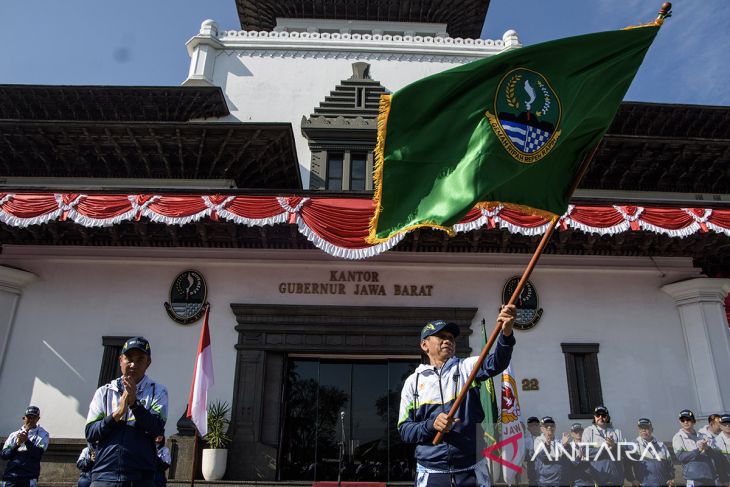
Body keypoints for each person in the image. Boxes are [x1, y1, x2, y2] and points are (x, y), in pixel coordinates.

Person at [398, 305, 516, 487]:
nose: (448, 341)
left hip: (472, 469)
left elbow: (497, 362)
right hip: (431, 473)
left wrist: (506, 333)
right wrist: (431, 425)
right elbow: (405, 430)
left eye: (451, 338)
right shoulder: (412, 382)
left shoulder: (467, 367)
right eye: (441, 337)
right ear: (424, 345)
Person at [85, 336, 168, 486]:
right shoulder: (103, 392)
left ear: (148, 363)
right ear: (120, 360)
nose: (133, 364)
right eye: (129, 358)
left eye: (140, 359)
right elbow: (91, 433)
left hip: (141, 477)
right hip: (104, 476)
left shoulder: (158, 391)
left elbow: (157, 429)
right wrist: (117, 414)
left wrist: (134, 404)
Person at [1, 405, 49, 487]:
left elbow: (37, 454)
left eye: (34, 417)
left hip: (28, 478)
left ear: (38, 419)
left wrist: (26, 441)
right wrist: (16, 445)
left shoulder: (43, 434)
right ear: (24, 418)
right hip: (10, 477)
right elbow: (4, 455)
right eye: (28, 417)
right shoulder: (14, 435)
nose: (31, 420)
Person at [581, 405, 625, 487]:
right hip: (598, 479)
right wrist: (604, 448)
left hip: (616, 479)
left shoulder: (617, 432)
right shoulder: (588, 431)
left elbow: (624, 452)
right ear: (594, 417)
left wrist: (614, 446)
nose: (600, 417)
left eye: (603, 415)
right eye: (598, 415)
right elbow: (585, 451)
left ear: (607, 417)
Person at [672, 409, 716, 487]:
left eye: (688, 419)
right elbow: (681, 457)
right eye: (682, 420)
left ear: (693, 421)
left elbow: (714, 456)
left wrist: (707, 448)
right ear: (680, 422)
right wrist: (698, 450)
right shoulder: (678, 437)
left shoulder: (703, 436)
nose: (685, 422)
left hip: (709, 476)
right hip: (693, 478)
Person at [628, 418, 673, 487]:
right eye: (641, 428)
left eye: (646, 428)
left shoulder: (662, 446)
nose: (643, 430)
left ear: (652, 429)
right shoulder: (633, 446)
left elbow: (670, 465)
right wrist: (632, 479)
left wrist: (670, 478)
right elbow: (626, 465)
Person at [532, 416, 572, 487]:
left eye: (552, 425)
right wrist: (547, 444)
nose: (549, 428)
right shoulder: (538, 440)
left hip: (561, 481)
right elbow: (543, 457)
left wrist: (566, 445)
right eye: (546, 426)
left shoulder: (560, 440)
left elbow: (568, 458)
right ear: (541, 428)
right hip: (547, 481)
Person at [567, 423, 592, 487]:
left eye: (580, 431)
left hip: (590, 482)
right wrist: (578, 458)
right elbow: (568, 466)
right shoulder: (569, 447)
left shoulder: (589, 446)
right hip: (576, 482)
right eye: (576, 431)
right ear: (572, 434)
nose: (578, 433)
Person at [712, 414, 730, 487]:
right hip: (725, 479)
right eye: (724, 424)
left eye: (729, 423)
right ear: (720, 425)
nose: (727, 426)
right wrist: (724, 480)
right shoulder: (716, 442)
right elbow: (717, 464)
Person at [524, 416, 541, 486]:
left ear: (539, 426)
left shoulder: (547, 439)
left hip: (546, 478)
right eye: (531, 425)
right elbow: (523, 458)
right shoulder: (525, 441)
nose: (534, 427)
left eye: (536, 425)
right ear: (528, 428)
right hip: (533, 478)